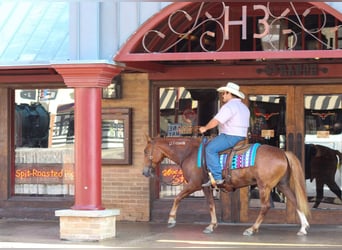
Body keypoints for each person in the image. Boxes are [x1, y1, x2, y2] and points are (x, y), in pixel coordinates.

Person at [199, 82, 250, 187]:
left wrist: (205, 128)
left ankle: (217, 178)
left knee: (210, 149)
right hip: (241, 137)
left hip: (230, 136)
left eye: (224, 93)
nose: (222, 95)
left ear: (229, 93)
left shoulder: (229, 106)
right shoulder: (244, 107)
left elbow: (216, 120)